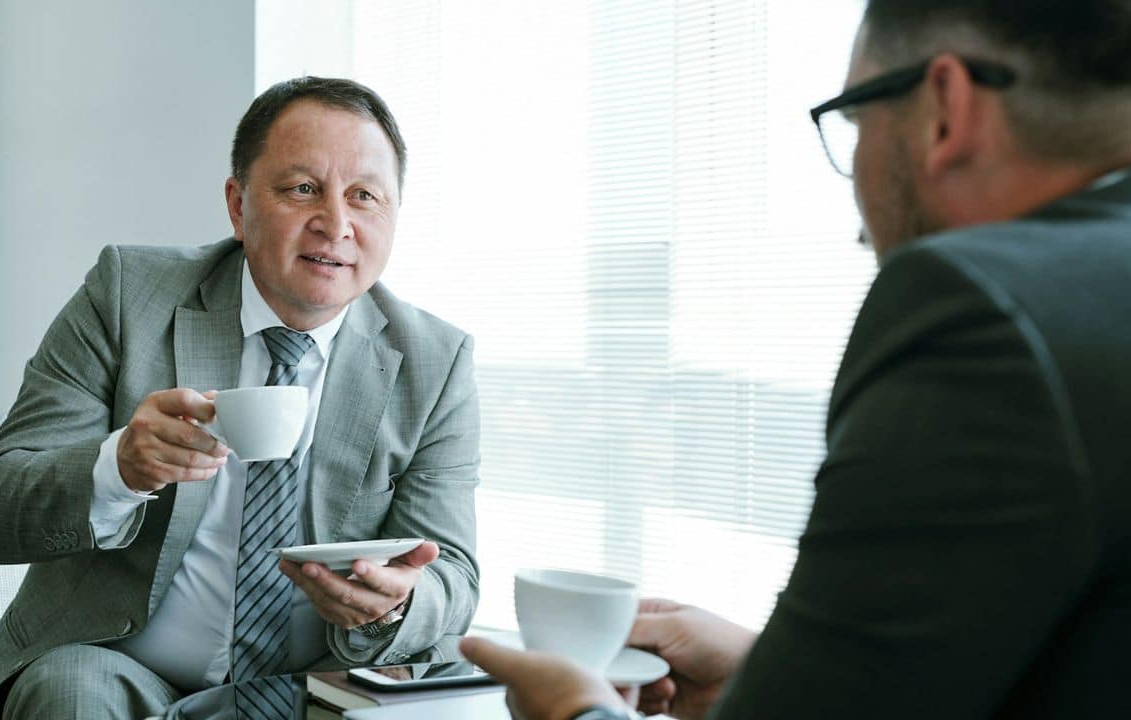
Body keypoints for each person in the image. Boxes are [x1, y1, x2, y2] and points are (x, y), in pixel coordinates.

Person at [461, 0, 1131, 717]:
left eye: (855, 123)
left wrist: (578, 712)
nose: (857, 224)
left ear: (943, 108)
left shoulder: (978, 310)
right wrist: (771, 671)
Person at [0, 77, 481, 719]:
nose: (336, 224)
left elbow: (452, 572)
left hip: (317, 691)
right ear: (238, 206)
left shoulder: (435, 363)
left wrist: (394, 604)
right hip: (125, 669)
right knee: (74, 695)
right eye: (302, 189)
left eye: (364, 197)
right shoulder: (128, 297)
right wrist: (119, 466)